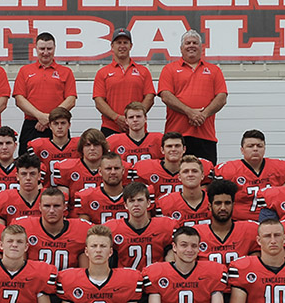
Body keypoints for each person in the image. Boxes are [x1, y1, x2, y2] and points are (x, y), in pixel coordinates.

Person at [157, 30, 226, 163]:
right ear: (181, 48)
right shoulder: (169, 69)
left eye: (195, 43)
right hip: (176, 136)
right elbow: (165, 95)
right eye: (188, 43)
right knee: (175, 177)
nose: (191, 45)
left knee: (206, 177)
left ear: (201, 48)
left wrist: (203, 115)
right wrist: (190, 112)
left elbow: (221, 97)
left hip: (206, 136)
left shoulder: (214, 70)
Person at [13, 32, 77, 155]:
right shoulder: (25, 71)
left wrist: (50, 119)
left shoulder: (66, 72)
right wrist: (40, 116)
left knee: (63, 163)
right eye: (42, 49)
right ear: (36, 49)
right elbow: (19, 99)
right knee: (27, 166)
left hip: (58, 126)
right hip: (32, 125)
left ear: (55, 48)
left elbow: (71, 99)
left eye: (49, 48)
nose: (46, 52)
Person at [215, 130, 285, 222]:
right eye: (250, 146)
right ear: (242, 150)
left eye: (259, 146)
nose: (255, 149)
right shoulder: (229, 169)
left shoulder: (279, 167)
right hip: (240, 220)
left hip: (271, 221)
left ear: (264, 149)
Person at [93, 27, 155, 136]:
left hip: (137, 128)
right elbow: (99, 101)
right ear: (112, 46)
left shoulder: (143, 71)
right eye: (118, 42)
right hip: (111, 127)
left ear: (131, 46)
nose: (122, 46)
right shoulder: (102, 72)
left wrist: (134, 118)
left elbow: (149, 97)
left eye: (125, 42)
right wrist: (116, 118)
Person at [13, 187, 90, 271]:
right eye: (47, 206)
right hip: (36, 282)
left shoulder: (81, 229)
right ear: (40, 207)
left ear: (65, 207)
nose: (52, 210)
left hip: (68, 282)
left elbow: (85, 274)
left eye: (56, 206)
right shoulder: (24, 227)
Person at [107, 182, 175, 270]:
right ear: (125, 205)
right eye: (131, 201)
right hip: (126, 281)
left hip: (154, 279)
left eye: (140, 200)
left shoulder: (163, 227)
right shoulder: (114, 228)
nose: (136, 204)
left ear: (148, 203)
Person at [130, 132, 213, 199]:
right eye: (169, 146)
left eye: (177, 146)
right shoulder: (148, 168)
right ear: (162, 150)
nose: (173, 149)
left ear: (184, 149)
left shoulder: (198, 166)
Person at [194, 179, 259, 264]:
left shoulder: (249, 229)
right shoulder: (197, 233)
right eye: (218, 203)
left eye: (227, 203)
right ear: (210, 206)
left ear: (233, 205)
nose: (223, 208)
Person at [52, 128, 114, 203]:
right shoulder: (68, 168)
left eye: (96, 145)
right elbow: (62, 203)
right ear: (82, 148)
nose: (92, 148)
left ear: (103, 148)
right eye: (87, 145)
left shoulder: (113, 168)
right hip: (75, 213)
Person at [155, 155, 211, 227]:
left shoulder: (213, 199)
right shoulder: (166, 203)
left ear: (202, 176)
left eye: (194, 171)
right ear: (179, 177)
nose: (190, 175)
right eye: (185, 171)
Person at [73, 152, 129, 224]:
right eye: (108, 169)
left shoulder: (134, 195)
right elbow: (84, 229)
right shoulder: (88, 196)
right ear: (100, 171)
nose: (113, 172)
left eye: (116, 168)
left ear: (123, 170)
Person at [0, 154, 46, 225]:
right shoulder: (3, 199)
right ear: (17, 176)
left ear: (39, 176)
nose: (28, 178)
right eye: (23, 174)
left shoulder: (51, 199)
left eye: (32, 174)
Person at [26, 107, 78, 175]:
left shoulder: (78, 145)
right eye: (56, 123)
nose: (59, 127)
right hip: (47, 185)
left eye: (63, 123)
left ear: (69, 125)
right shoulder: (39, 145)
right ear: (50, 126)